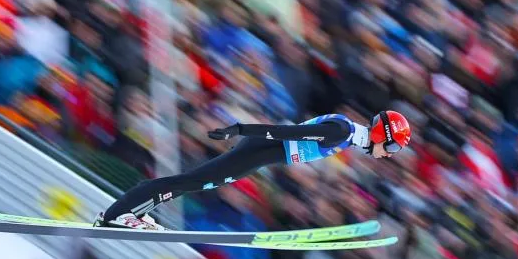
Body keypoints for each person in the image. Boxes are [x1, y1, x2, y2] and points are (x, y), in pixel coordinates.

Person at [95, 111, 411, 230]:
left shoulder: (349, 134)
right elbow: (287, 133)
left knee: (192, 183)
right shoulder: (341, 132)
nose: (389, 155)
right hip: (258, 150)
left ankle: (130, 213)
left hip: (261, 155)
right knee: (192, 182)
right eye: (393, 148)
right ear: (380, 135)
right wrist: (241, 129)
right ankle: (117, 215)